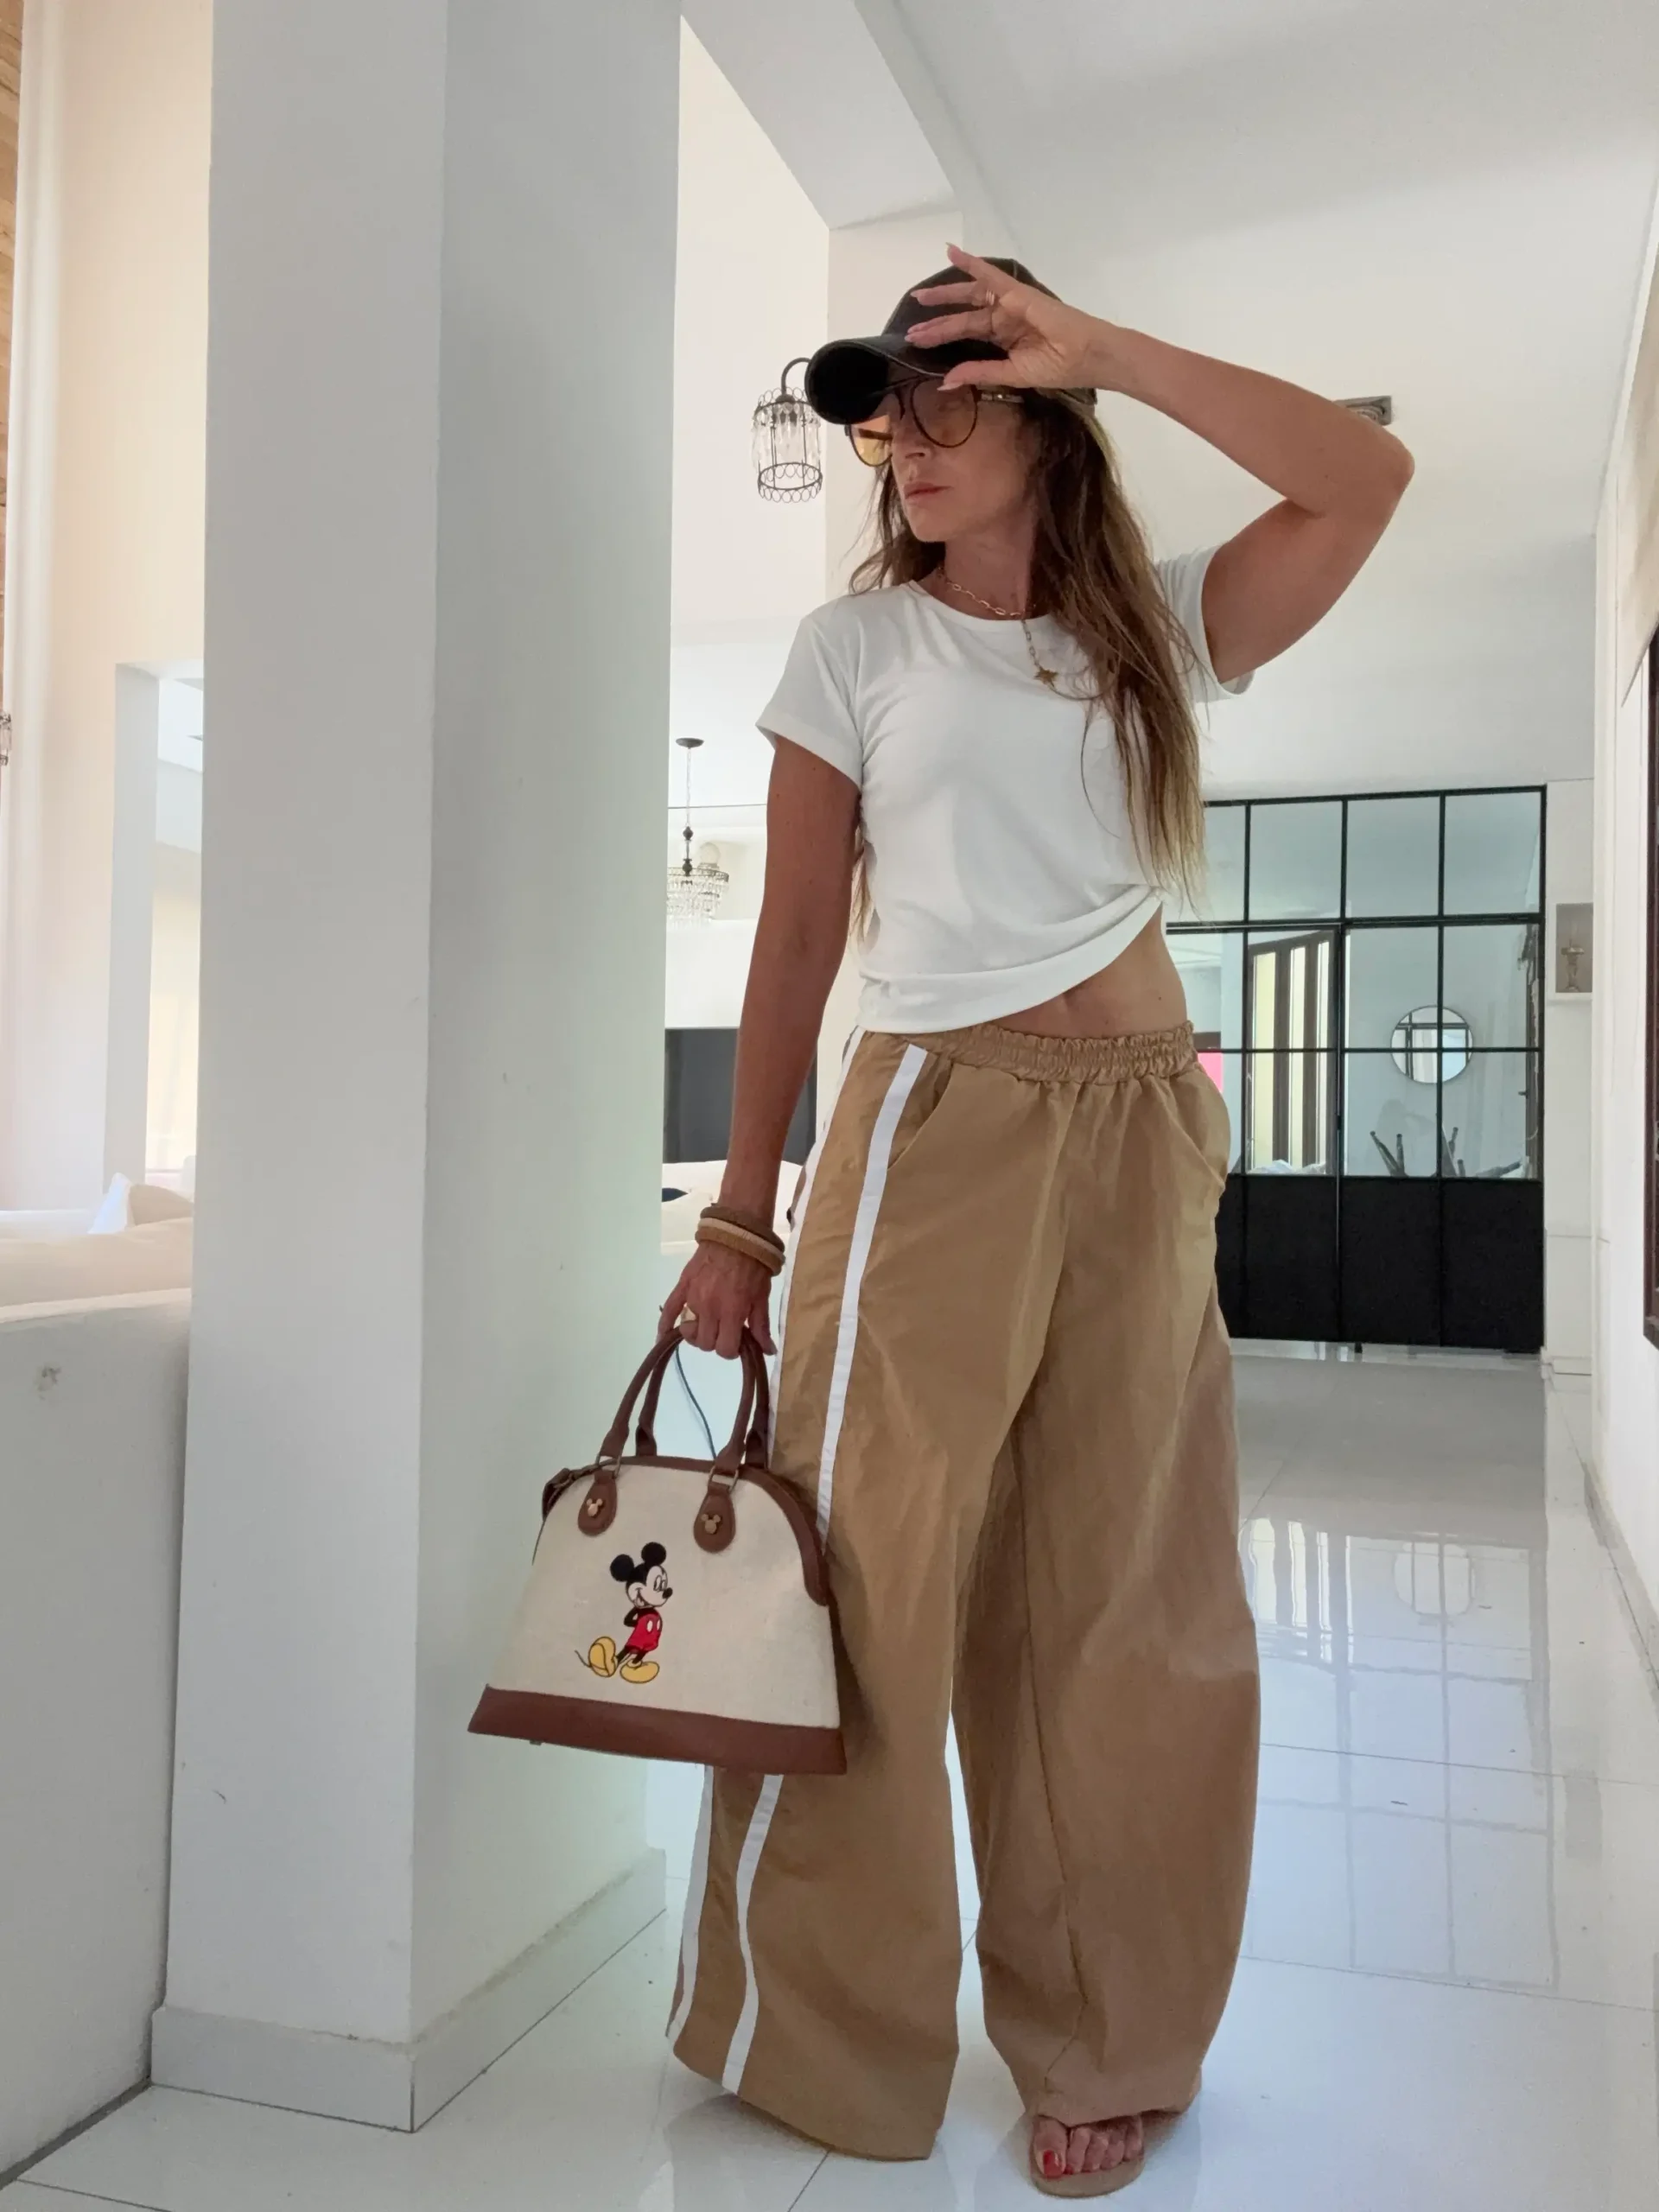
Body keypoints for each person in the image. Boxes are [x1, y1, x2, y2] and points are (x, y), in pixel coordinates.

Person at [661, 246, 1411, 2196]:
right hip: (936, 1124)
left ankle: (1108, 2032)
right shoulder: (856, 649)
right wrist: (737, 1225)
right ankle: (823, 2031)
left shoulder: (1153, 629)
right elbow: (794, 941)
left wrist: (1106, 350)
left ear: (1042, 412)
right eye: (883, 414)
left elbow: (1364, 480)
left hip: (1145, 1125)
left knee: (1131, 1598)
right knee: (870, 1583)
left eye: (953, 397)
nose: (905, 443)